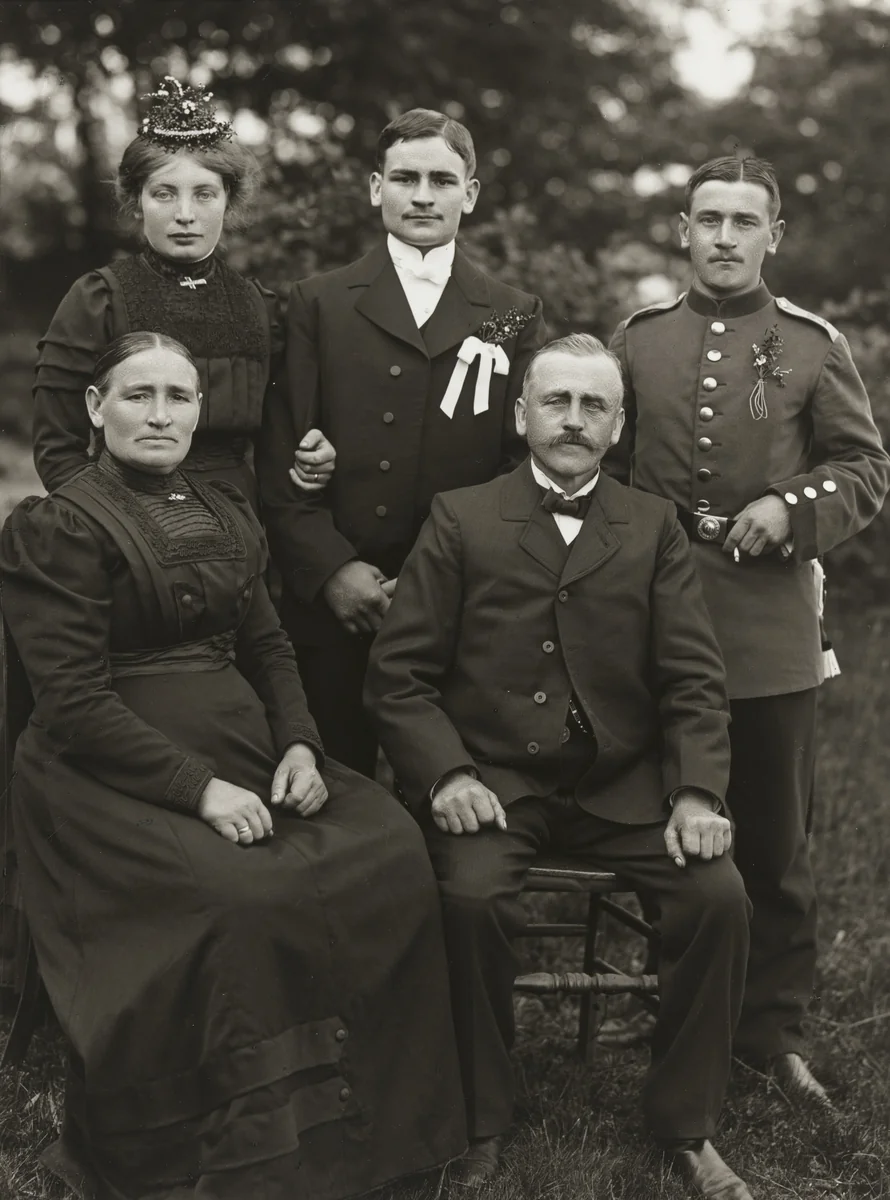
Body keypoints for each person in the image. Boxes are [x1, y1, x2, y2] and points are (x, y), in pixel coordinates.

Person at [0, 332, 466, 1200]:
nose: (160, 413)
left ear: (199, 413)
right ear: (95, 410)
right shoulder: (57, 526)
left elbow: (268, 645)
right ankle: (244, 1143)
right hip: (103, 773)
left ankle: (377, 1125)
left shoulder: (224, 508)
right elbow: (69, 702)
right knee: (241, 894)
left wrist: (299, 742)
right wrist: (198, 790)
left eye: (178, 397)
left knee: (389, 851)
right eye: (138, 395)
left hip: (249, 749)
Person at [366, 334, 754, 1199]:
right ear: (522, 414)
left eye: (593, 406)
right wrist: (449, 775)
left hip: (624, 786)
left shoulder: (651, 525)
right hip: (496, 782)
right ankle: (480, 1118)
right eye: (556, 402)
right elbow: (399, 677)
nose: (573, 421)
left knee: (718, 896)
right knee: (467, 899)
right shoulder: (461, 516)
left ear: (617, 426)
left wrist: (695, 790)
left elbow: (694, 676)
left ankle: (685, 1122)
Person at [606, 155, 890, 1101]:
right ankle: (671, 1001)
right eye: (709, 218)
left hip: (770, 626)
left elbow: (863, 468)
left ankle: (770, 1033)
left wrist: (790, 506)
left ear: (775, 236)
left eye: (745, 220)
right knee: (659, 827)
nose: (725, 236)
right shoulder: (638, 341)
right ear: (682, 229)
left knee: (774, 842)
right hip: (650, 618)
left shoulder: (811, 344)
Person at [257, 107, 547, 777]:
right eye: (405, 177)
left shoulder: (508, 312)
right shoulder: (318, 302)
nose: (422, 195)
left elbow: (517, 458)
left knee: (446, 781)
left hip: (456, 596)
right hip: (334, 596)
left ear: (469, 194)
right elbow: (281, 451)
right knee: (334, 775)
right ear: (374, 187)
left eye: (442, 180)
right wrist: (331, 570)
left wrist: (440, 580)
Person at [31, 76, 281, 510]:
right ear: (138, 200)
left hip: (243, 519)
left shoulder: (259, 305)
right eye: (164, 194)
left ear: (228, 200)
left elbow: (283, 441)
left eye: (204, 194)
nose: (185, 214)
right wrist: (115, 525)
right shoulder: (99, 298)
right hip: (126, 517)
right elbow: (57, 447)